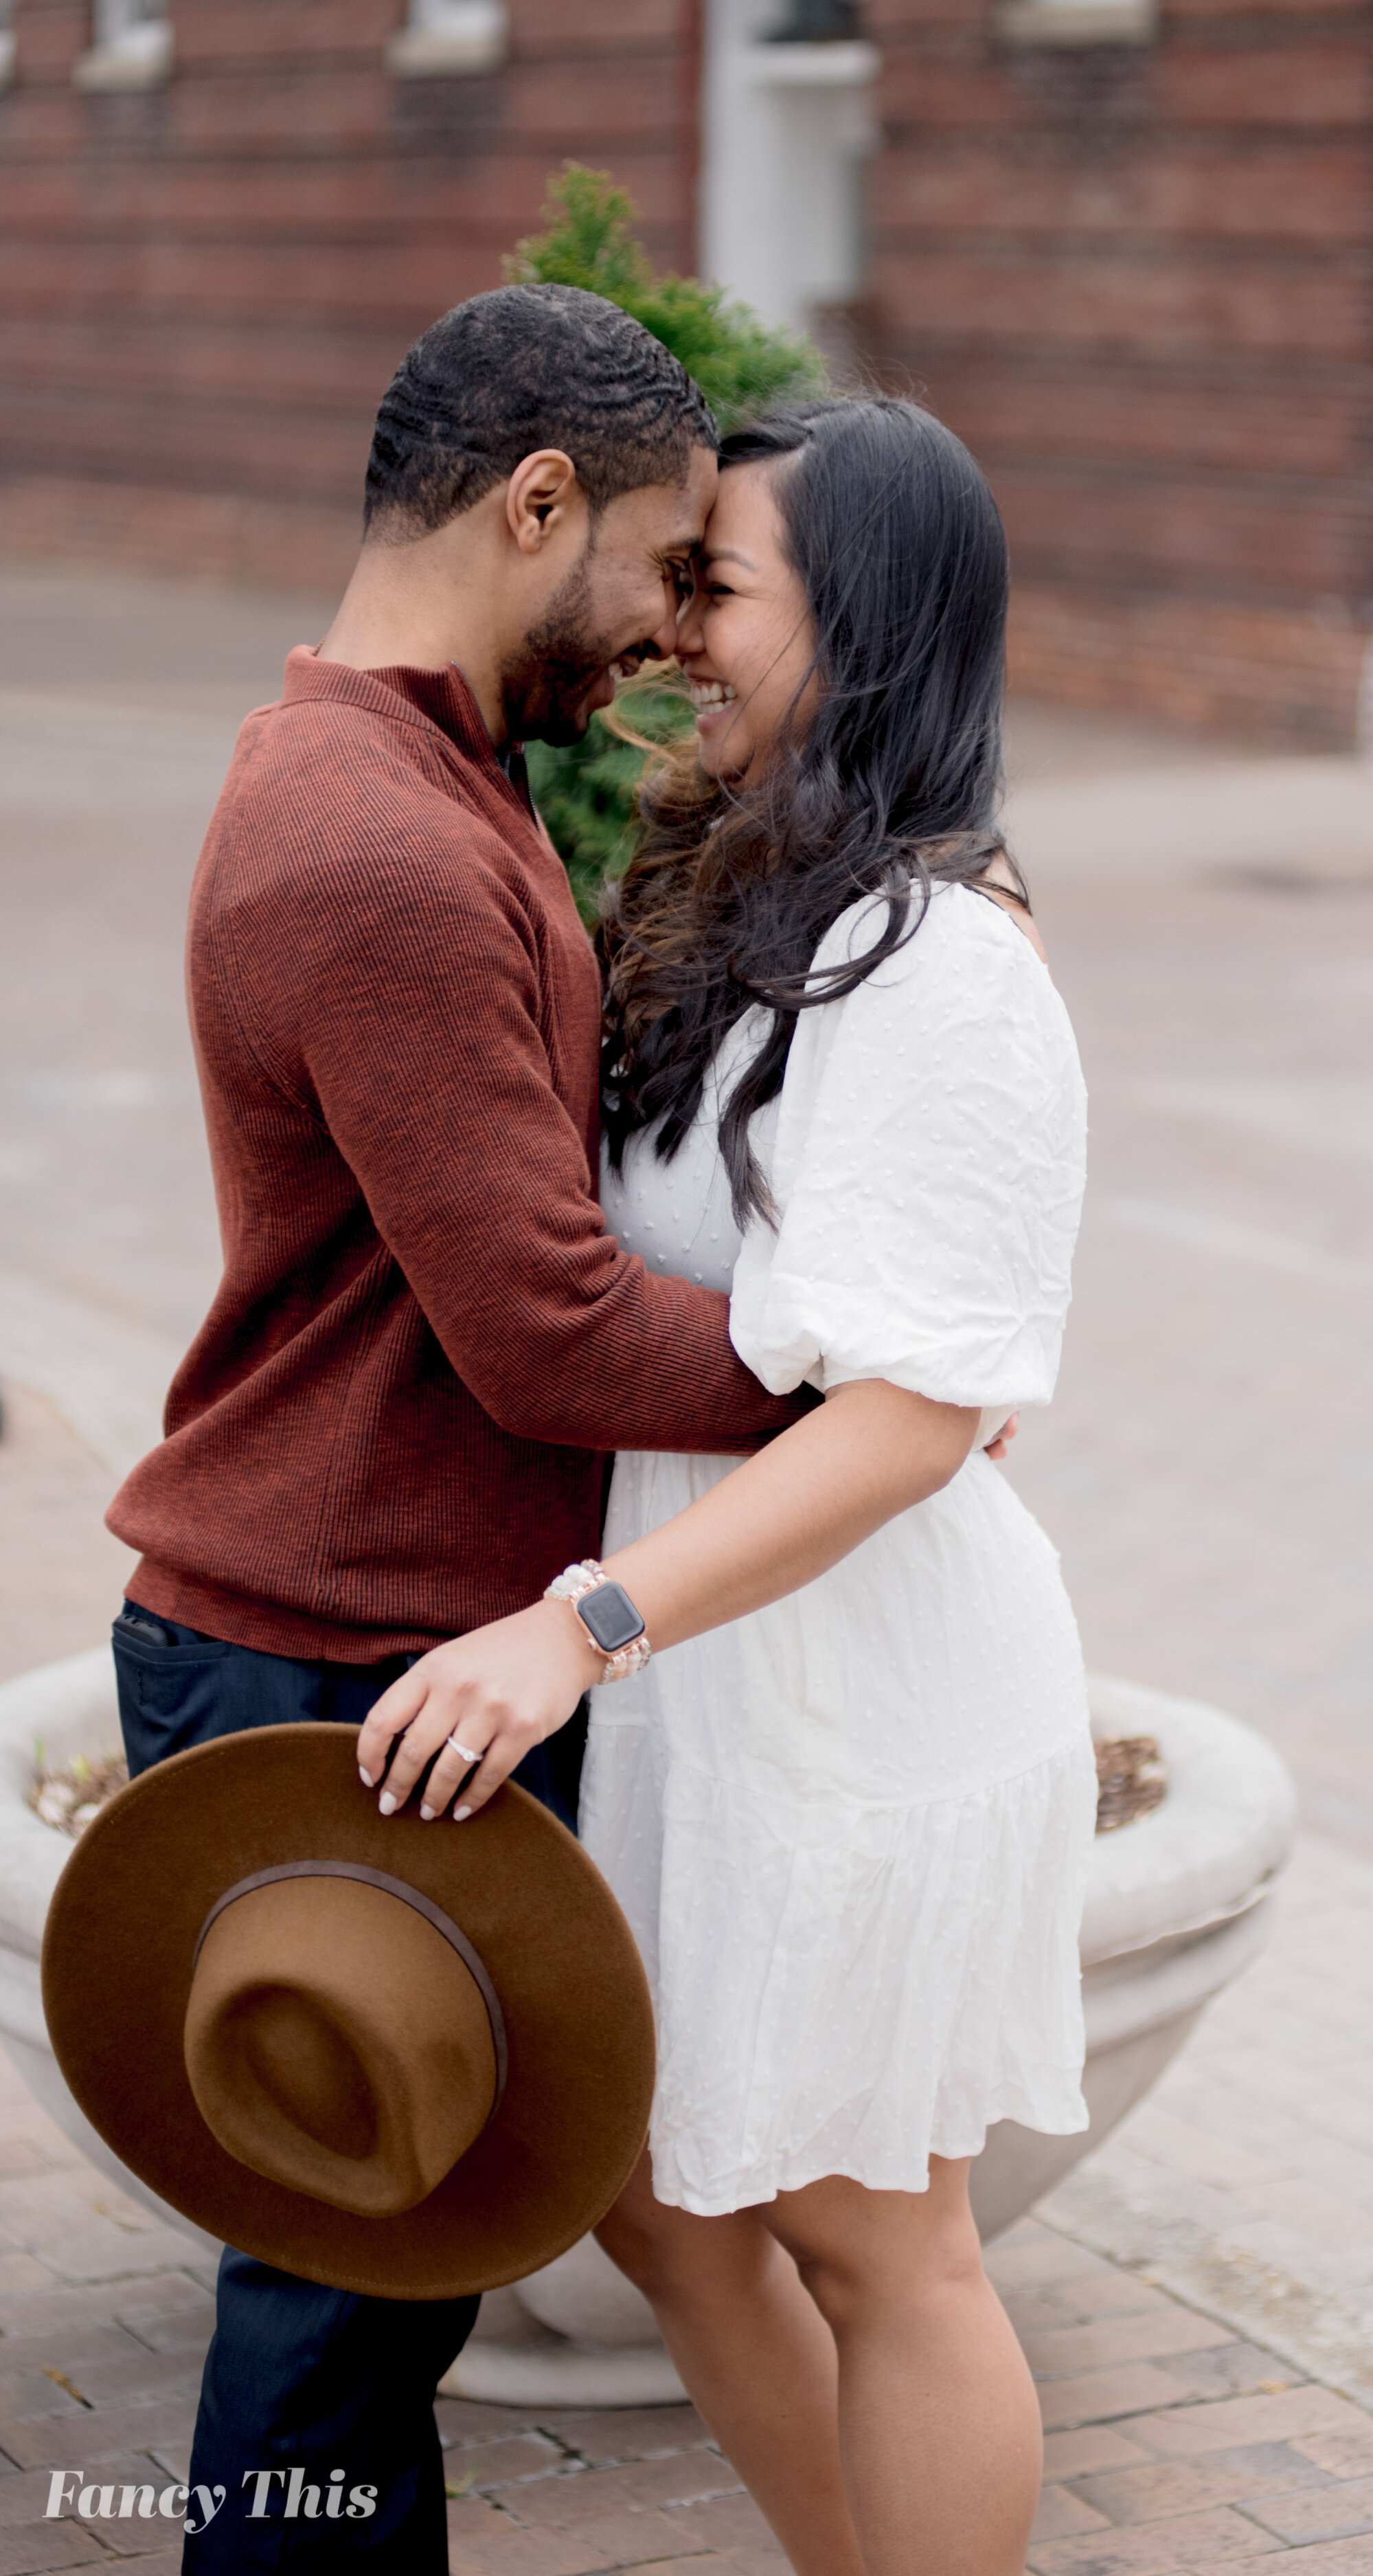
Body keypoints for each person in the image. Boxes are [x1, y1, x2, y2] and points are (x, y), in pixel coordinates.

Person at [103, 284, 821, 2571]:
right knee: (329, 2338)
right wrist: (865, 1386)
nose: (667, 628)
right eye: (660, 563)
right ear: (536, 506)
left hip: (361, 1639)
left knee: (366, 2304)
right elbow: (537, 1325)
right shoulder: (381, 844)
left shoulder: (400, 769)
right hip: (340, 1662)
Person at [358, 396, 1095, 2576]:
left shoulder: (944, 956)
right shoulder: (741, 885)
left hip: (850, 1688)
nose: (667, 630)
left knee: (884, 2245)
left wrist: (572, 1626)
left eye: (718, 588)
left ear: (857, 631)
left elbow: (908, 1416)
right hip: (709, 1669)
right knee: (663, 2207)